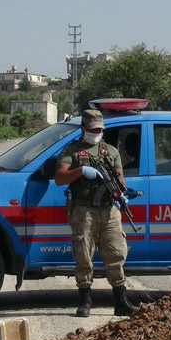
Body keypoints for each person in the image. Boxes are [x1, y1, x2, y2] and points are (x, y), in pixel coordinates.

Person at [54, 109, 138, 318]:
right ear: (83, 128)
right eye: (92, 129)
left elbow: (121, 180)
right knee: (84, 256)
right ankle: (85, 301)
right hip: (83, 210)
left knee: (116, 254)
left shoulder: (110, 151)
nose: (96, 132)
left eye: (100, 129)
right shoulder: (71, 150)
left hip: (109, 211)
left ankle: (121, 301)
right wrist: (80, 171)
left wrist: (120, 195)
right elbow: (59, 178)